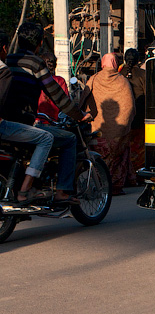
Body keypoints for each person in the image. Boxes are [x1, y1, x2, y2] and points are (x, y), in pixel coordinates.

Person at [3, 21, 87, 204]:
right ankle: (61, 191)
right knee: (69, 139)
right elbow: (58, 97)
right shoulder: (36, 63)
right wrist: (80, 115)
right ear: (40, 42)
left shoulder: (8, 60)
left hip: (8, 121)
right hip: (23, 123)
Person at [0, 31, 54, 204]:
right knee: (46, 138)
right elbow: (58, 96)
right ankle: (25, 190)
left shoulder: (10, 61)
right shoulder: (4, 70)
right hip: (7, 126)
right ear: (4, 48)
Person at [82, 53, 135, 195]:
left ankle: (99, 183)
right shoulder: (123, 81)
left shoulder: (94, 79)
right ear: (115, 63)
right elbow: (129, 105)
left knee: (98, 156)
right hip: (119, 130)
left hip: (98, 127)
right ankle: (115, 186)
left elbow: (84, 100)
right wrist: (125, 122)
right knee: (118, 157)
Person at [122, 48, 146, 186]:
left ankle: (126, 174)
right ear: (138, 60)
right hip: (139, 116)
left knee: (126, 147)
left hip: (124, 116)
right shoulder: (143, 74)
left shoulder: (119, 74)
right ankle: (138, 175)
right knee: (139, 148)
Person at [36, 52, 70, 122]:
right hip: (55, 121)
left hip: (37, 121)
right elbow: (66, 103)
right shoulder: (60, 80)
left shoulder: (36, 80)